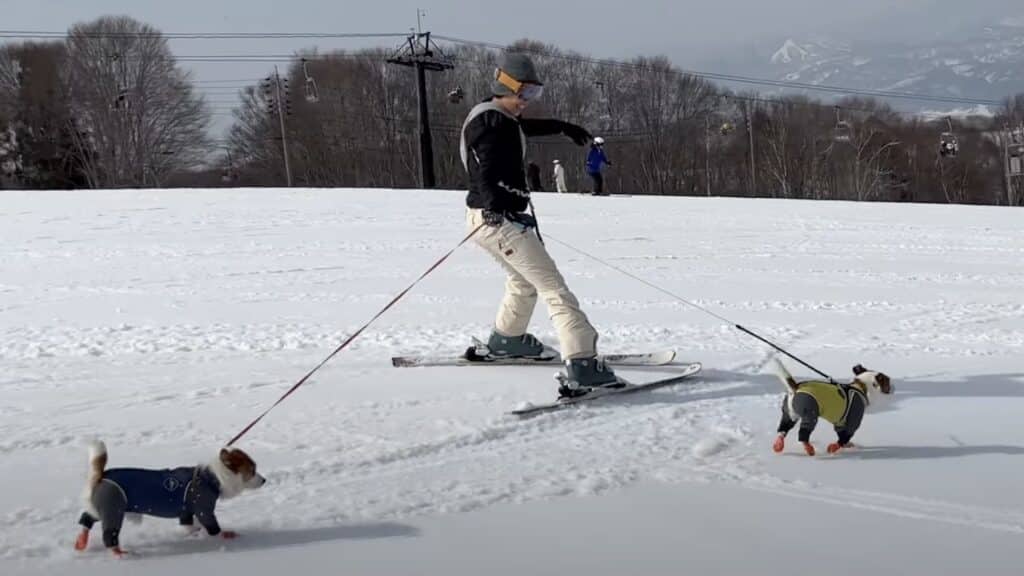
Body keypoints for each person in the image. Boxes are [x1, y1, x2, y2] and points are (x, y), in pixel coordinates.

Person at [459, 53, 618, 397]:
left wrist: (562, 126)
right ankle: (583, 365)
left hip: (488, 220)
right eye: (524, 95)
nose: (526, 103)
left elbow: (522, 128)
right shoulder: (490, 124)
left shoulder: (498, 116)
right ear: (506, 87)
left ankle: (507, 340)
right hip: (496, 220)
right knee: (554, 289)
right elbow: (483, 169)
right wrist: (494, 206)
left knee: (523, 281)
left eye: (533, 95)